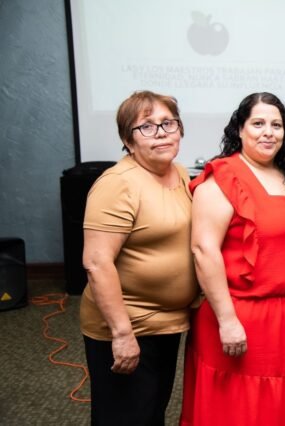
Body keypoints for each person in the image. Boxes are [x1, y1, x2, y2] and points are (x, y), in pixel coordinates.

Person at [180, 92, 285, 426]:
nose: (268, 132)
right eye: (258, 123)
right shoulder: (222, 177)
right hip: (242, 316)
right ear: (240, 129)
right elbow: (204, 251)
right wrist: (227, 321)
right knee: (240, 409)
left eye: (276, 125)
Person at [80, 90, 198, 425]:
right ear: (127, 141)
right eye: (146, 126)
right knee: (125, 418)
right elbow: (97, 263)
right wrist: (122, 334)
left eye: (168, 123)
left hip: (167, 323)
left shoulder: (179, 173)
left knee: (150, 412)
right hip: (129, 326)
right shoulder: (118, 184)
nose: (161, 133)